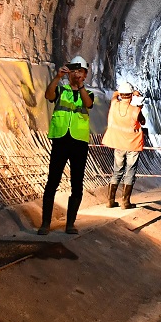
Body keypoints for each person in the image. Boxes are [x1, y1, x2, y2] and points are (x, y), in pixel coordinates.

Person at [39, 56, 95, 235]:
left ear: (85, 74)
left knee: (76, 183)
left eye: (81, 71)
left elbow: (88, 104)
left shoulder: (88, 92)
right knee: (52, 180)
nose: (77, 74)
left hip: (79, 141)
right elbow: (49, 95)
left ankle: (70, 223)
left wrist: (80, 86)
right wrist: (57, 77)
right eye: (75, 70)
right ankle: (45, 223)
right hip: (61, 139)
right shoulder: (61, 89)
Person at [102, 82, 145, 209]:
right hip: (132, 145)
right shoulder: (135, 110)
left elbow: (115, 95)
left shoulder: (114, 104)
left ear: (121, 94)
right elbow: (142, 121)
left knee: (117, 171)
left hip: (118, 143)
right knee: (130, 171)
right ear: (131, 95)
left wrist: (122, 93)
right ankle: (125, 202)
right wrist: (138, 101)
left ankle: (110, 201)